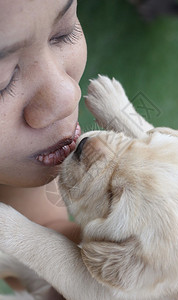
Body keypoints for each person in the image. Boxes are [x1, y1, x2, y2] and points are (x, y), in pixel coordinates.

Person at [0, 0, 87, 291]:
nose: (67, 95)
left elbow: (44, 226)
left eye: (63, 33)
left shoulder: (16, 162)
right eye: (2, 81)